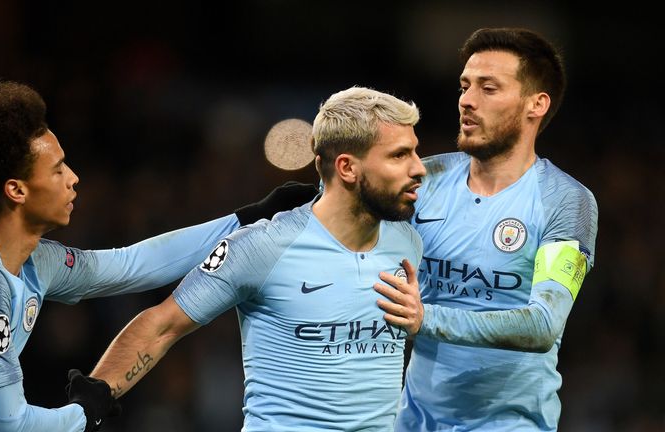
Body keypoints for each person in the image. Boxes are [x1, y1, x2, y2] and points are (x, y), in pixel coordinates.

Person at [0, 81, 317, 432]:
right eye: (58, 169)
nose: (74, 178)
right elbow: (11, 426)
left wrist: (244, 218)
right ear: (17, 190)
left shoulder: (32, 262)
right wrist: (87, 408)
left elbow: (130, 264)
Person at [72, 86, 427, 431]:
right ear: (347, 168)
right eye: (399, 155)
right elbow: (162, 325)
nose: (418, 168)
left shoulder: (406, 242)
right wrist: (95, 396)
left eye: (414, 152)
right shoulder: (265, 246)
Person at [382, 28, 599, 431]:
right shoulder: (424, 179)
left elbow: (543, 324)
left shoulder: (565, 200)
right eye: (465, 86)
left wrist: (425, 318)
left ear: (536, 104)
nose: (467, 100)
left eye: (489, 88)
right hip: (413, 422)